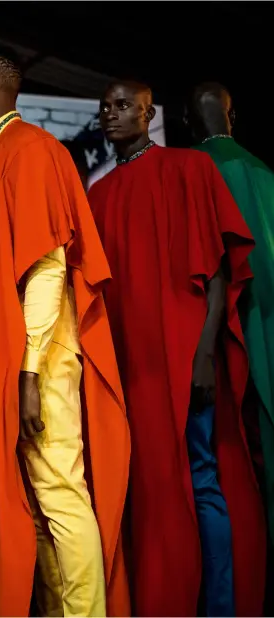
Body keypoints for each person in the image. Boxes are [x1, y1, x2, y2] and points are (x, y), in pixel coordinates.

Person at [0, 43, 130, 617]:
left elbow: (50, 267)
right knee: (39, 494)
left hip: (42, 355)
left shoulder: (28, 149)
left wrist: (29, 371)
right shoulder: (5, 151)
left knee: (59, 491)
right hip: (27, 354)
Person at [88, 80, 266, 617]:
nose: (110, 115)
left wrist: (205, 355)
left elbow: (215, 270)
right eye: (105, 107)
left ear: (148, 113)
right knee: (150, 487)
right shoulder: (97, 194)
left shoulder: (188, 169)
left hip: (186, 354)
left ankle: (218, 608)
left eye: (123, 106)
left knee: (201, 477)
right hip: (131, 364)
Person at [186, 80, 274, 610]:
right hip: (264, 326)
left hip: (213, 336)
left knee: (219, 466)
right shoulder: (264, 173)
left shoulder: (188, 171)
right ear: (231, 115)